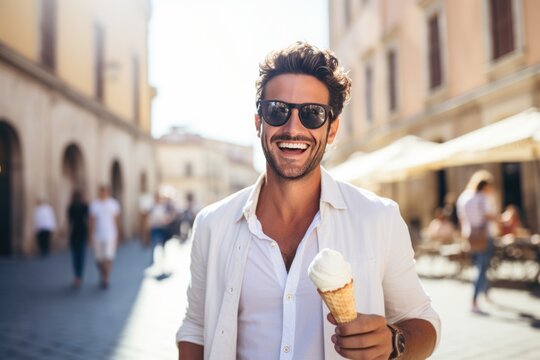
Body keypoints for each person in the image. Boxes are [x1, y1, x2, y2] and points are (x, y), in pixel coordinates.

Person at [176, 42, 440, 360]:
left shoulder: (378, 218)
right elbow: (194, 329)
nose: (293, 128)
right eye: (277, 110)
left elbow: (423, 320)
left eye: (312, 115)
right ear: (258, 121)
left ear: (331, 130)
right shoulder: (212, 224)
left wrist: (395, 341)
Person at [457, 170, 497, 314]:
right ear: (485, 185)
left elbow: (462, 218)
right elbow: (489, 216)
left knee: (481, 265)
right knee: (482, 267)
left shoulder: (464, 197)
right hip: (484, 236)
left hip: (470, 235)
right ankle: (474, 300)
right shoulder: (482, 198)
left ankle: (486, 293)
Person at [89, 185, 120, 289]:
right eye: (101, 191)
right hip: (98, 235)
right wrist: (90, 236)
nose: (103, 193)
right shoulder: (94, 205)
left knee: (108, 257)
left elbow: (116, 220)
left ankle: (106, 278)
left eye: (105, 191)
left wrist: (119, 234)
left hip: (110, 235)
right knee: (99, 260)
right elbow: (92, 221)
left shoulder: (113, 204)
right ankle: (103, 274)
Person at [148, 192, 176, 270]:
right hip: (155, 227)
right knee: (154, 243)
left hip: (163, 227)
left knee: (163, 244)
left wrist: (167, 220)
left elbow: (172, 215)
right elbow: (149, 217)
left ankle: (162, 259)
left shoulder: (166, 207)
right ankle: (153, 260)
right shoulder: (153, 207)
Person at [67, 190, 89, 288]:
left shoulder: (71, 207)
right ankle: (79, 275)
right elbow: (88, 220)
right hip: (82, 232)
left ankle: (76, 275)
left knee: (75, 256)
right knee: (81, 255)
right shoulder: (85, 206)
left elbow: (69, 222)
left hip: (74, 232)